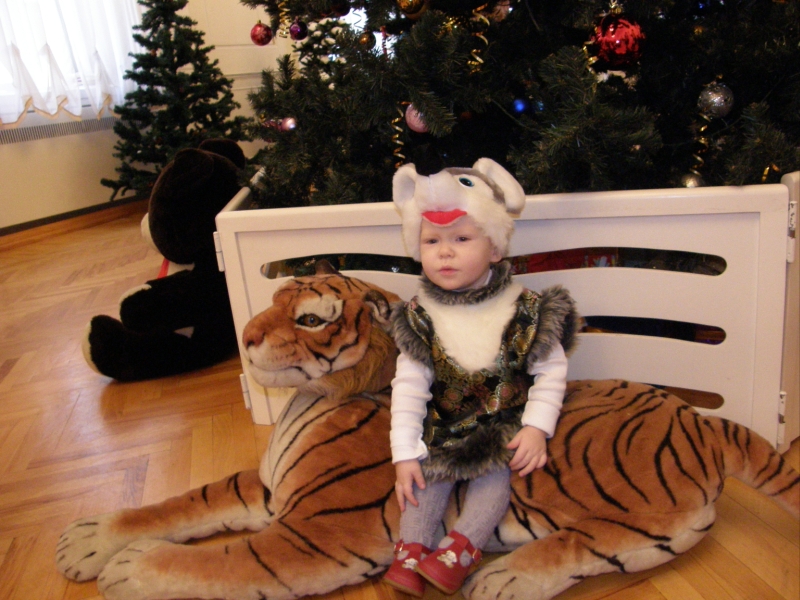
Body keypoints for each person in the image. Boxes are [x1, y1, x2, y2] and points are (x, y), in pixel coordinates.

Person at [382, 159, 579, 597]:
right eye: (431, 241)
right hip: (445, 423)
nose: (444, 252)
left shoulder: (525, 308)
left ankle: (462, 548)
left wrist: (537, 428)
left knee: (494, 475)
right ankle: (411, 550)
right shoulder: (419, 315)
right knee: (425, 476)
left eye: (461, 238)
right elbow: (409, 387)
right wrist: (404, 454)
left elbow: (550, 372)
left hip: (501, 420)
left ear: (494, 249)